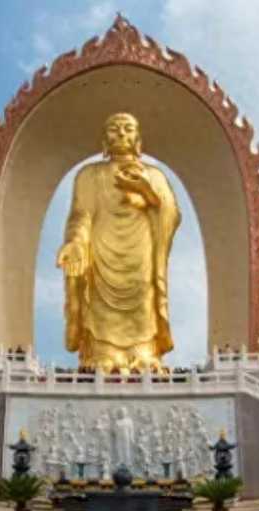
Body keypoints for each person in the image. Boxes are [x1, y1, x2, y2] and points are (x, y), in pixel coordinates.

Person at [56, 113, 181, 374]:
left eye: (128, 129)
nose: (121, 134)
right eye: (114, 129)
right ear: (104, 139)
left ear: (138, 138)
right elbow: (81, 215)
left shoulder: (154, 175)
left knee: (143, 296)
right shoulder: (89, 175)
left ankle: (144, 353)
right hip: (101, 250)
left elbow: (171, 213)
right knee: (99, 303)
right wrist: (76, 243)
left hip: (142, 252)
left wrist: (147, 193)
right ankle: (103, 352)